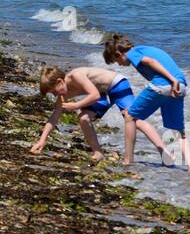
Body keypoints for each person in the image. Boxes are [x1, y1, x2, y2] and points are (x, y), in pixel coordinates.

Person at [31, 64, 170, 163]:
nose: (55, 95)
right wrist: (42, 139)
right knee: (83, 117)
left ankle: (164, 151)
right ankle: (98, 152)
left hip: (116, 84)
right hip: (103, 93)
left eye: (54, 91)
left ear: (60, 81)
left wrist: (76, 105)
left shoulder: (76, 76)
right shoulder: (64, 93)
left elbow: (95, 95)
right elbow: (54, 117)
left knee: (134, 121)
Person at [103, 33, 190, 171]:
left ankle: (128, 160)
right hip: (180, 87)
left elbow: (151, 62)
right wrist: (175, 81)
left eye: (117, 61)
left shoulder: (133, 53)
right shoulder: (144, 48)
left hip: (165, 84)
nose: (120, 65)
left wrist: (172, 80)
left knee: (129, 116)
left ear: (118, 54)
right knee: (179, 132)